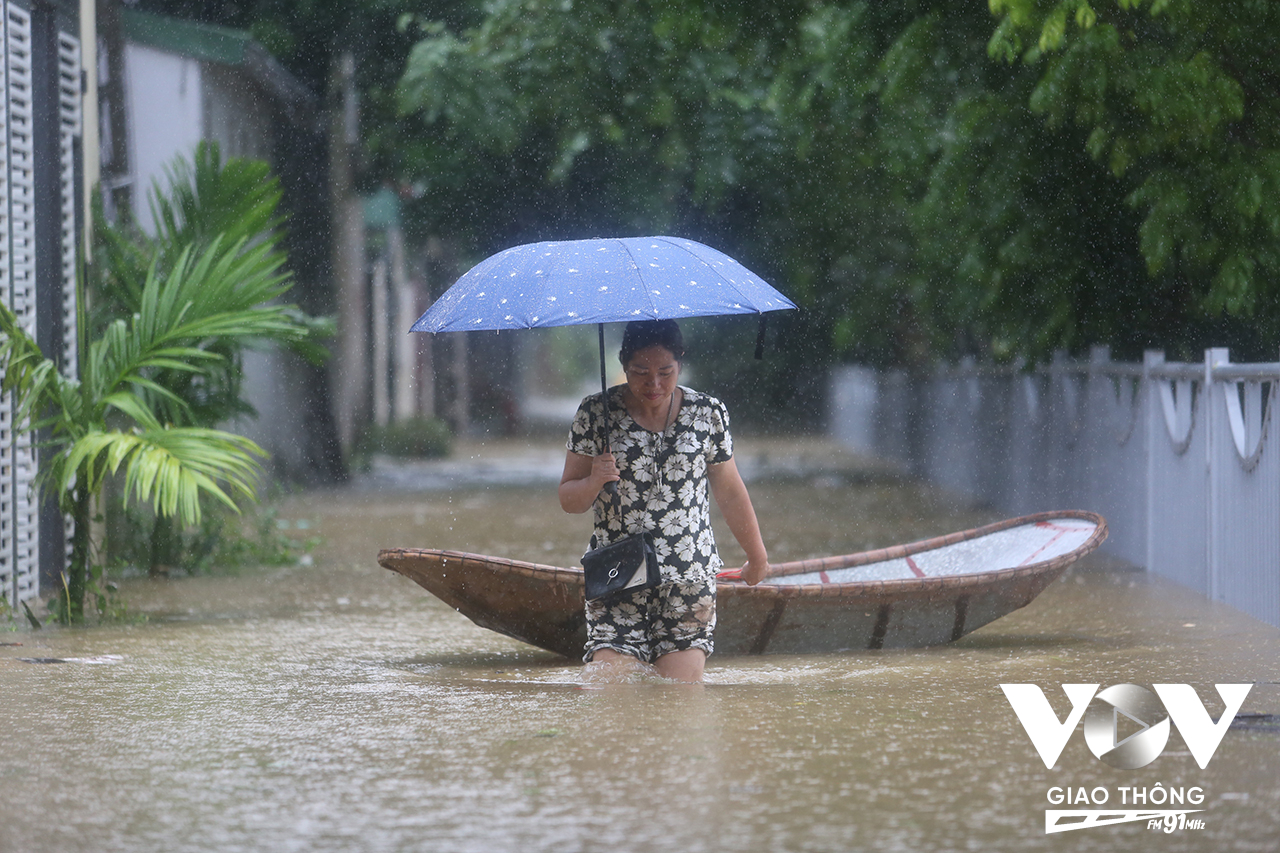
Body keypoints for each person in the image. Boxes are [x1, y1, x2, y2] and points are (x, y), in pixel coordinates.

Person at [559, 319, 769, 682]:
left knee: (679, 705)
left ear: (681, 363)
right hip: (617, 578)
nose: (653, 384)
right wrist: (594, 479)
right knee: (608, 697)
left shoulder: (708, 414)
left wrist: (757, 555)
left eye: (665, 372)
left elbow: (730, 491)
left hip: (688, 578)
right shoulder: (595, 414)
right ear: (623, 364)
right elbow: (569, 499)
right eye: (640, 371)